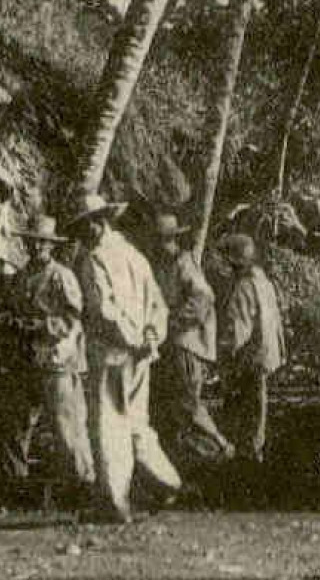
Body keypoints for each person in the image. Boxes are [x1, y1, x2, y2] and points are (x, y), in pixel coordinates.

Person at [71, 193, 181, 523]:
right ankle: (166, 482)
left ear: (98, 222)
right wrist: (150, 337)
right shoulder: (135, 256)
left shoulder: (94, 260)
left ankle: (114, 502)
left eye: (87, 224)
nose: (84, 231)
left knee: (109, 425)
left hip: (113, 353)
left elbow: (104, 311)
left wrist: (135, 340)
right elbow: (157, 306)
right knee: (136, 422)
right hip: (140, 354)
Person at [2, 214, 94, 496]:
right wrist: (10, 320)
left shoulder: (61, 276)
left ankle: (82, 483)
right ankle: (16, 484)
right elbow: (9, 308)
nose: (36, 247)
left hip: (57, 359)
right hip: (27, 359)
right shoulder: (21, 277)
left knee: (67, 425)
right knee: (17, 425)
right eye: (32, 242)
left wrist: (39, 325)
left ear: (51, 245)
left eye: (42, 243)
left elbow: (72, 317)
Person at [150, 212, 234, 470]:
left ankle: (222, 447)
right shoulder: (164, 265)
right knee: (170, 409)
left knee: (187, 404)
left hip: (186, 344)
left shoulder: (184, 263)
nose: (161, 245)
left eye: (165, 240)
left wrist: (172, 321)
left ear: (173, 239)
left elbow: (202, 299)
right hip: (171, 345)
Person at [218, 234, 286, 463]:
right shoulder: (263, 282)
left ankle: (247, 454)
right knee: (258, 402)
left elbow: (238, 329)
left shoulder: (244, 288)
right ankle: (254, 449)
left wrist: (224, 354)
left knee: (246, 405)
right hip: (266, 353)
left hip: (250, 356)